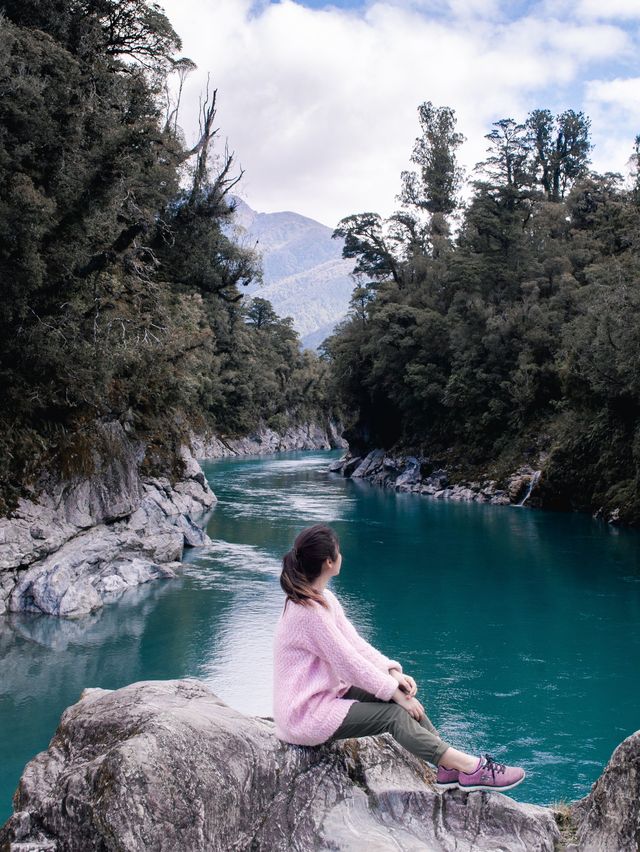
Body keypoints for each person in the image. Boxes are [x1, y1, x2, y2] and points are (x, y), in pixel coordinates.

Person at [272, 523, 525, 793]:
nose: (342, 555)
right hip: (305, 715)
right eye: (339, 551)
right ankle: (470, 767)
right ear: (329, 562)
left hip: (324, 695)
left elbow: (355, 645)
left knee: (400, 697)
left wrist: (391, 673)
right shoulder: (308, 613)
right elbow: (347, 662)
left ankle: (449, 765)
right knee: (394, 714)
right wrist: (393, 692)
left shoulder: (323, 599)